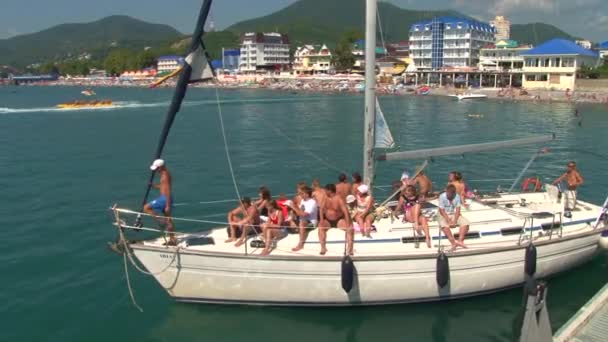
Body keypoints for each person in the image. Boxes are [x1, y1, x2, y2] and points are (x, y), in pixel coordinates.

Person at [143, 159, 175, 245]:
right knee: (168, 219)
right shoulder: (165, 174)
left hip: (165, 199)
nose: (156, 170)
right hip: (166, 198)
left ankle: (161, 221)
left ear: (161, 167)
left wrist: (167, 205)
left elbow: (167, 189)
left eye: (157, 169)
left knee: (146, 207)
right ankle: (173, 239)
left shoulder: (165, 176)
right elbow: (163, 186)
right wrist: (153, 185)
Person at [318, 184, 353, 255]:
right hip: (328, 220)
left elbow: (345, 211)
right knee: (321, 228)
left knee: (350, 229)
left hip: (338, 220)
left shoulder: (339, 199)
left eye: (326, 191)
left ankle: (350, 248)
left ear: (330, 191)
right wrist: (321, 220)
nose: (324, 192)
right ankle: (323, 248)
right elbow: (321, 209)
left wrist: (348, 222)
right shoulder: (325, 198)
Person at [438, 184, 469, 251]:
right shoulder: (442, 196)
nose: (449, 195)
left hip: (453, 213)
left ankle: (460, 241)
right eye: (448, 193)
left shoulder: (457, 196)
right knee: (444, 225)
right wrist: (448, 220)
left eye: (451, 193)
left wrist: (455, 221)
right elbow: (441, 210)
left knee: (465, 223)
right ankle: (453, 243)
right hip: (444, 214)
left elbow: (458, 209)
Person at [291, 186, 319, 252]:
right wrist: (294, 207)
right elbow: (299, 212)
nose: (301, 195)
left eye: (302, 193)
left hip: (311, 223)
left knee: (302, 222)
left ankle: (300, 244)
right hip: (303, 220)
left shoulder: (312, 202)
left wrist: (294, 208)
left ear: (307, 194)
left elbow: (304, 214)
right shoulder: (303, 201)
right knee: (290, 222)